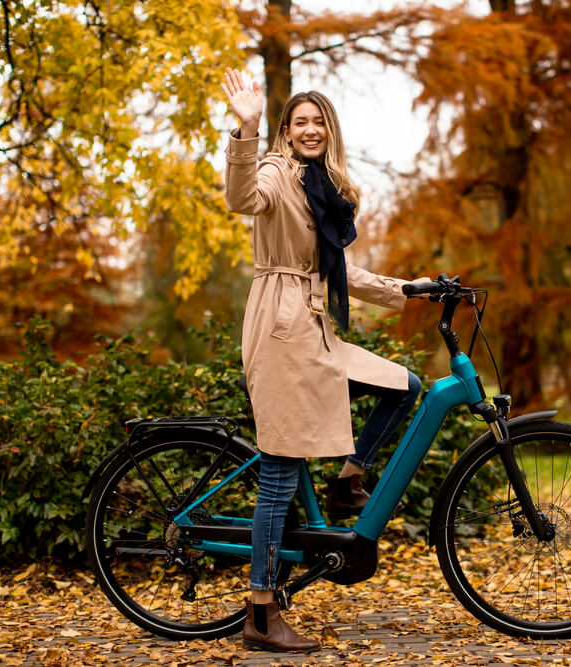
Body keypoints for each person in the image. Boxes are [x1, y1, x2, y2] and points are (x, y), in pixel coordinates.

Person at [220, 69, 424, 653]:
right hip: (282, 330)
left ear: (329, 131)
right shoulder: (275, 173)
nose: (310, 130)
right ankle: (261, 611)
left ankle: (347, 480)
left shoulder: (326, 185)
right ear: (286, 132)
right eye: (299, 122)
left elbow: (338, 273)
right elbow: (240, 198)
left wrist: (406, 289)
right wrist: (247, 129)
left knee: (404, 385)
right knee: (280, 474)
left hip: (315, 329)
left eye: (319, 122)